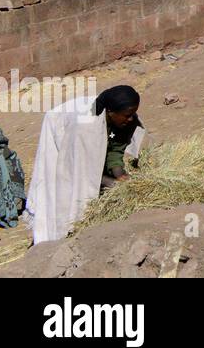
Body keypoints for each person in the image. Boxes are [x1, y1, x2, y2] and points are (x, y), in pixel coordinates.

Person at [25, 85, 145, 244]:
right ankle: (59, 234)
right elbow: (83, 171)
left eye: (133, 114)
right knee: (62, 185)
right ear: (110, 112)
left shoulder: (122, 119)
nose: (131, 119)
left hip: (83, 129)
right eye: (127, 115)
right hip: (60, 128)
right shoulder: (85, 129)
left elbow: (115, 146)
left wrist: (119, 173)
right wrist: (111, 182)